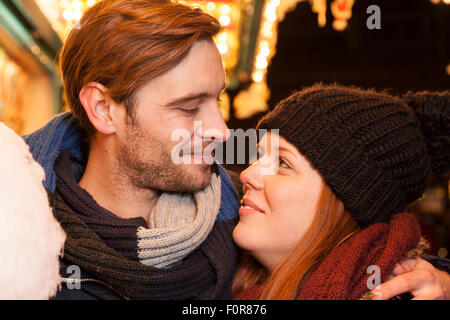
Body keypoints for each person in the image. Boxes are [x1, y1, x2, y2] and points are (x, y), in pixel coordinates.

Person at [21, 0, 448, 299]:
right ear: (103, 109)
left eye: (218, 100)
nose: (222, 133)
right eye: (189, 107)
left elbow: (350, 245)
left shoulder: (237, 221)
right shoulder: (22, 239)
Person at [232, 83, 450, 300]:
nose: (247, 175)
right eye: (258, 156)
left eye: (283, 163)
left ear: (346, 204)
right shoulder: (219, 273)